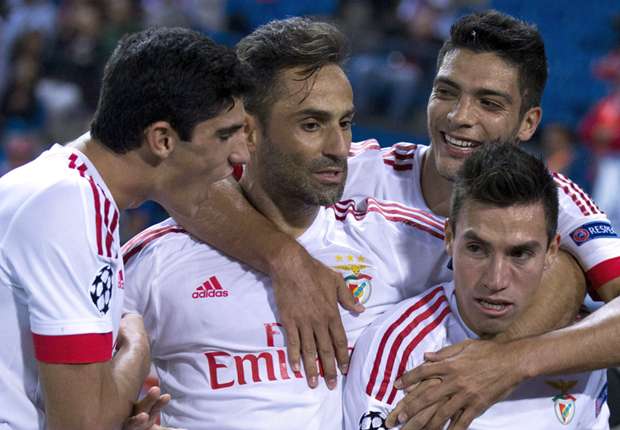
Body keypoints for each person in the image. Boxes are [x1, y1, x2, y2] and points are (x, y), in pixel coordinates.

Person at [172, 9, 620, 428]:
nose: (460, 117)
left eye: (489, 103)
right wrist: (286, 260)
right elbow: (189, 183)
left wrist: (509, 360)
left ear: (528, 123)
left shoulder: (551, 202)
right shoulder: (356, 172)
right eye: (446, 92)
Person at [121, 17, 452, 429]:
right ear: (247, 132)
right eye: (311, 125)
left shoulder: (399, 242)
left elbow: (520, 280)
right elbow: (67, 380)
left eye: (344, 123)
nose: (339, 148)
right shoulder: (157, 260)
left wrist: (500, 362)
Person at [0, 26, 250, 430]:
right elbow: (82, 426)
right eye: (224, 135)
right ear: (162, 139)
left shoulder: (70, 191)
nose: (239, 155)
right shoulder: (66, 204)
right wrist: (138, 339)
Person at [343, 143, 609, 430]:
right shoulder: (399, 349)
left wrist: (512, 361)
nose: (495, 281)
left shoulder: (580, 347)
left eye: (520, 254)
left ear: (551, 253)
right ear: (449, 238)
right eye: (476, 249)